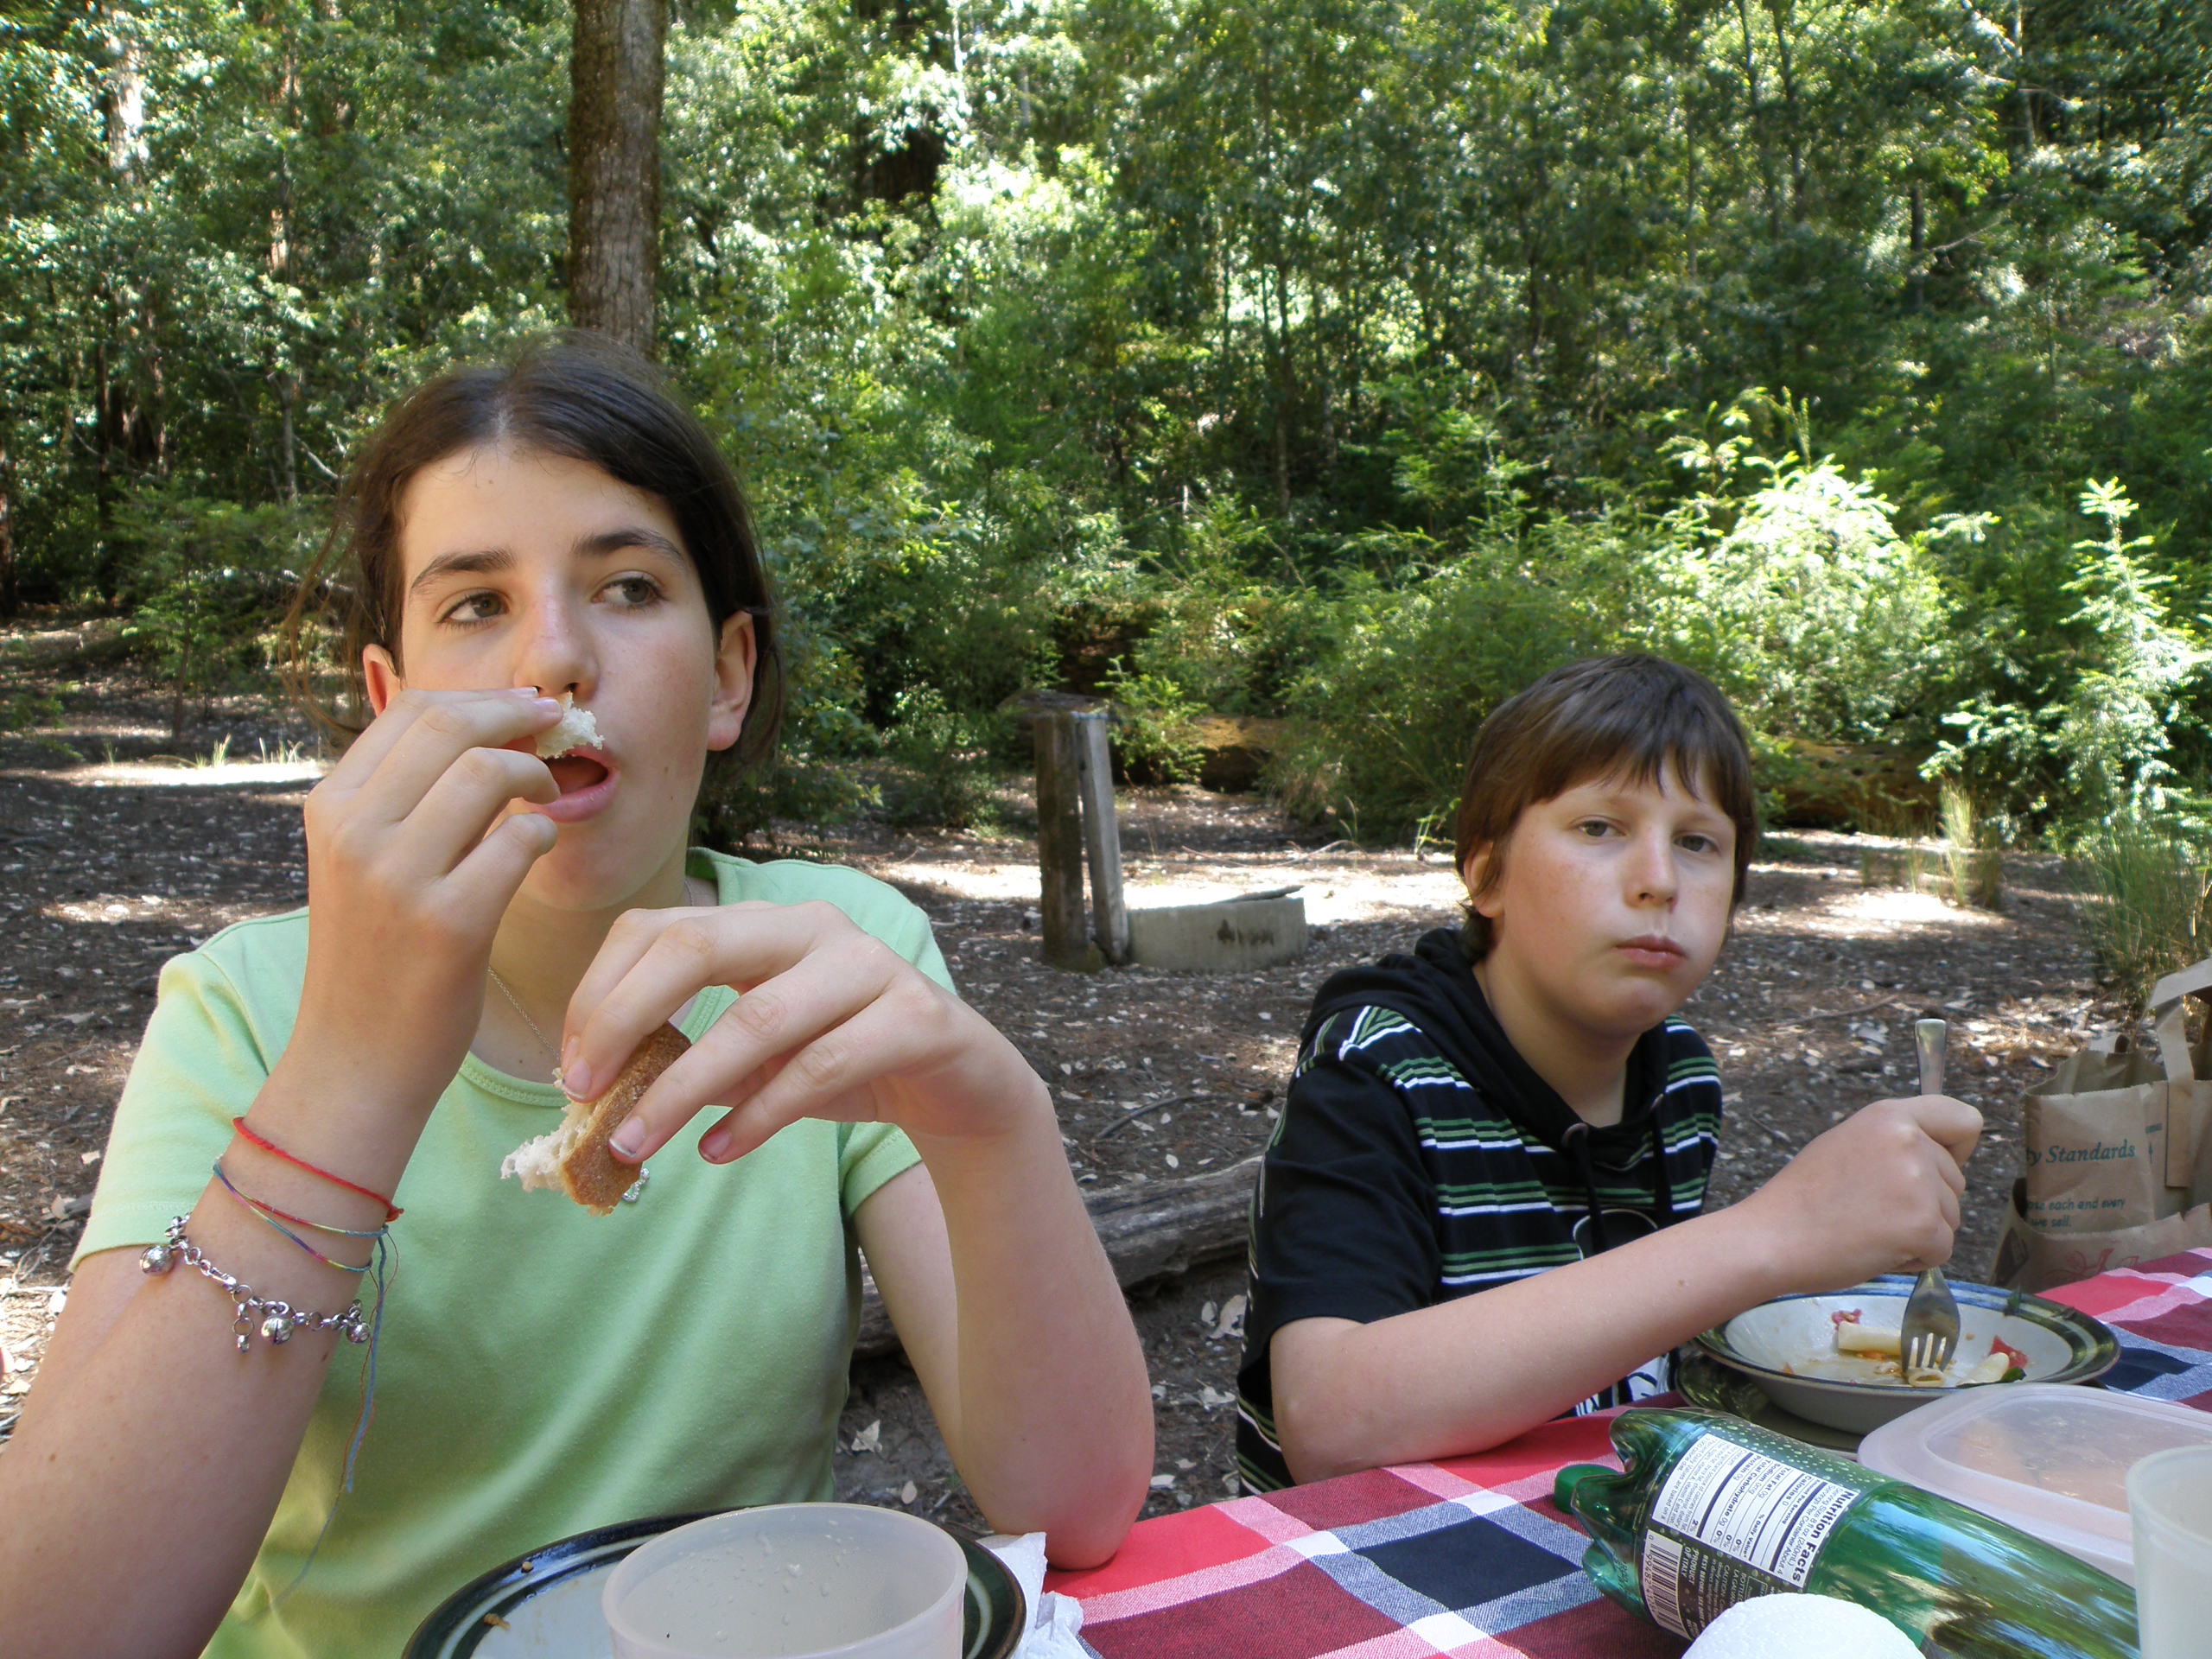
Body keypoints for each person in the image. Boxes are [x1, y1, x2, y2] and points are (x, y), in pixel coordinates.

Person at [0, 336, 1154, 1657]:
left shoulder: (831, 961)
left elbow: (1076, 1511)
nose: (554, 656)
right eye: (474, 605)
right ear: (390, 704)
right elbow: (51, 1626)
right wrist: (349, 1074)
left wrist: (992, 1120)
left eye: (627, 586)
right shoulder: (244, 1011)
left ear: (727, 675)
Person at [1235, 654, 1981, 1491]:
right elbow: (1330, 1423)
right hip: (1370, 1554)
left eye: (1697, 843)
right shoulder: (1376, 1065)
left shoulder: (1680, 1079)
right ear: (1486, 874)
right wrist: (1774, 1233)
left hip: (1582, 1518)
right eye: (1599, 828)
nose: (1658, 880)